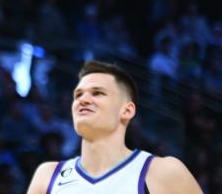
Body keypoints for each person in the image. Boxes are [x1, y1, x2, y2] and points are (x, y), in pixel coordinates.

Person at [26, 60, 202, 193]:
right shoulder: (48, 175)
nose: (83, 100)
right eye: (78, 94)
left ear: (126, 110)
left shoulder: (162, 171)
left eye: (98, 93)